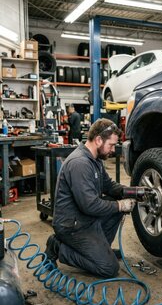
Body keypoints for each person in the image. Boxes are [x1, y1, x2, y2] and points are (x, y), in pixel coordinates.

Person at [44, 118, 136, 278]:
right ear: (99, 140)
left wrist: (131, 192)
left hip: (84, 219)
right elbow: (90, 206)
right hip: (71, 226)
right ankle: (58, 247)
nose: (113, 150)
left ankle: (99, 250)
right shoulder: (80, 163)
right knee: (109, 268)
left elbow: (108, 186)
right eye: (111, 145)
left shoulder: (95, 160)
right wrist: (120, 205)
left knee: (114, 208)